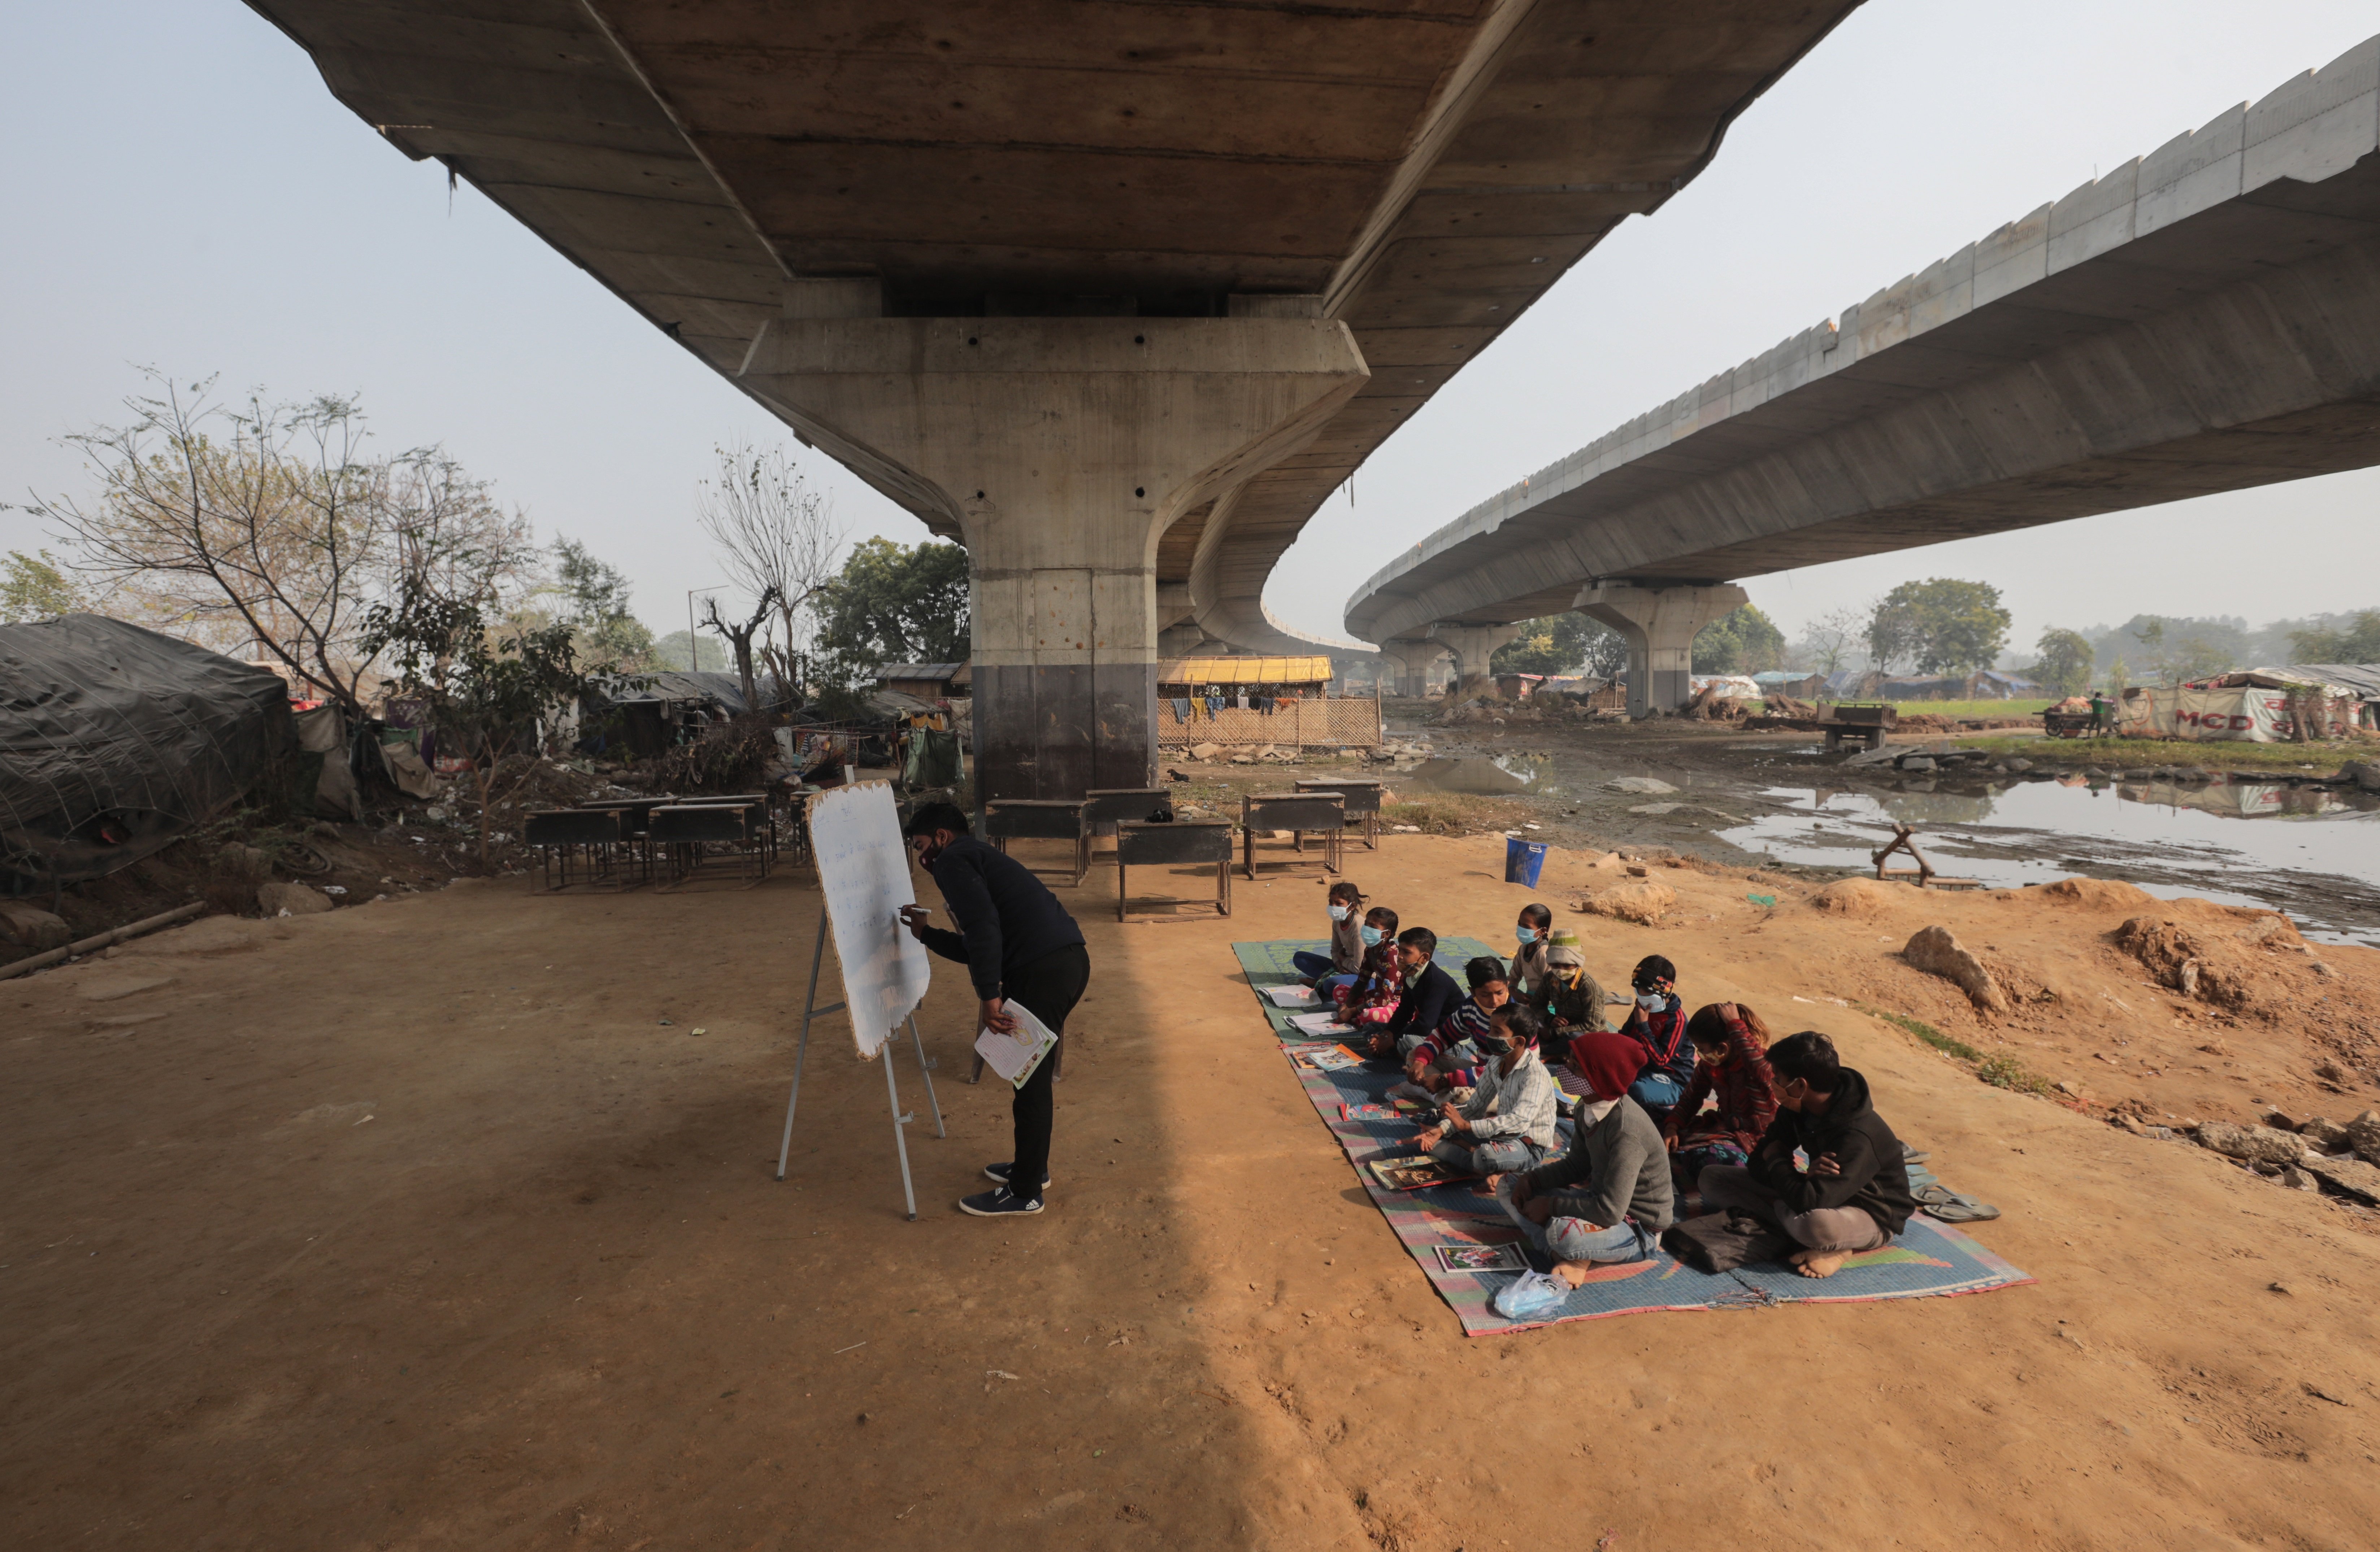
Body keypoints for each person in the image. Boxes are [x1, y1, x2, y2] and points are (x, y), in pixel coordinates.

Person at [899, 801, 1087, 1219]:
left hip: (1043, 971)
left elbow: (983, 931)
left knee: (1030, 1082)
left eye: (922, 845)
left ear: (942, 837)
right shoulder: (980, 855)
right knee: (1029, 1077)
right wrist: (926, 934)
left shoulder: (953, 861)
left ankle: (1025, 1193)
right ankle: (1029, 1170)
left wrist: (989, 998)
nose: (922, 856)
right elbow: (982, 942)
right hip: (1065, 961)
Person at [1698, 1030, 1916, 1278]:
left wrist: (1780, 1163)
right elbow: (1758, 1164)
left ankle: (1840, 1248)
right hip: (1816, 1194)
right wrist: (1796, 1182)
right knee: (1712, 1178)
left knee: (1814, 1226)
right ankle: (1797, 1229)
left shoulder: (1857, 1135)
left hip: (1870, 1214)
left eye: (1778, 1077)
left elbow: (1804, 1197)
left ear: (1800, 1084)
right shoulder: (1797, 1107)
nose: (1774, 1083)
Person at [1490, 1029, 1675, 1285]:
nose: (1564, 1070)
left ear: (1600, 1079)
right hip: (1597, 1202)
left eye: (1575, 1067)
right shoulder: (1585, 1107)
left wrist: (1552, 1207)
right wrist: (1532, 1180)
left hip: (1637, 1229)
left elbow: (1611, 1212)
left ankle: (1568, 1253)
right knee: (1509, 1185)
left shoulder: (1626, 1131)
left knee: (1561, 1232)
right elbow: (1577, 1167)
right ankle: (1568, 1257)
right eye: (1568, 1062)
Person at [1414, 1004, 1561, 1177]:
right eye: (1491, 1029)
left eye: (1497, 1032)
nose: (1489, 1036)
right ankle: (1487, 1167)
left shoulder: (1535, 1075)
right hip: (1499, 1138)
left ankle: (1482, 1163)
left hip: (1526, 1145)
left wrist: (1466, 1126)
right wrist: (1442, 1129)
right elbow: (1476, 1106)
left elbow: (1519, 1122)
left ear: (1519, 1041)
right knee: (1431, 1136)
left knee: (1487, 1156)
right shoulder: (1497, 1061)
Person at [1660, 1003, 1778, 1200]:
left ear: (1723, 1048)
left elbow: (1763, 1068)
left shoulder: (1761, 1066)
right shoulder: (1710, 1065)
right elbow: (1692, 1096)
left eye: (1702, 1049)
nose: (1701, 1055)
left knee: (1709, 1160)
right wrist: (1673, 1126)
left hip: (1755, 1143)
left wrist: (1735, 1025)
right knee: (1652, 1117)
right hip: (1722, 1129)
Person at [1393, 957, 1508, 1096]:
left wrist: (1444, 1080)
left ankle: (1429, 1093)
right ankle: (1436, 1091)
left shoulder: (1517, 1018)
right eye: (1485, 995)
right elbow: (1443, 1036)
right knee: (1416, 1055)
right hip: (1481, 1071)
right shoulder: (1471, 1008)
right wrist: (1421, 1063)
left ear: (1507, 985)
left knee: (1463, 1095)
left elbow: (1502, 1073)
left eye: (1500, 993)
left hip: (1505, 1084)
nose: (1495, 1002)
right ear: (1473, 992)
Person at [1616, 955, 1691, 1125]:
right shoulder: (1642, 1005)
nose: (1642, 996)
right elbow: (1624, 1037)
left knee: (1635, 1091)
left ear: (1663, 990)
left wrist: (1643, 1026)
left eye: (1647, 992)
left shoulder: (1677, 1020)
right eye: (1639, 991)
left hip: (1671, 1079)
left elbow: (1660, 1062)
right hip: (1641, 1067)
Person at [1368, 927, 1460, 1059]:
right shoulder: (1410, 975)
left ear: (1424, 958)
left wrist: (1392, 1040)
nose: (1399, 956)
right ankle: (1389, 1048)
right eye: (1400, 950)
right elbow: (1405, 1010)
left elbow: (1425, 1025)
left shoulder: (1437, 981)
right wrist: (1387, 1035)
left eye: (1406, 952)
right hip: (1428, 1032)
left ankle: (1394, 1050)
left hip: (1448, 1042)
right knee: (1371, 1028)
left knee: (1408, 1042)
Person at [1535, 930, 1618, 1037]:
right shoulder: (1549, 979)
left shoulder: (1589, 987)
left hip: (1587, 1035)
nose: (1561, 970)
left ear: (1577, 964)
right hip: (1560, 1028)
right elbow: (1536, 1005)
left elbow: (1592, 1027)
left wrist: (1555, 1033)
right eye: (1556, 965)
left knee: (1575, 1037)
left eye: (1567, 965)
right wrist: (1549, 1018)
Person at [1331, 906, 1403, 1031]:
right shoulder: (1370, 949)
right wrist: (1348, 1004)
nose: (1367, 929)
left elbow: (1385, 998)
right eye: (1366, 924)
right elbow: (1362, 980)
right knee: (1339, 991)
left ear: (1387, 934)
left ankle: (1359, 1018)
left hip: (1396, 1001)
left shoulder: (1391, 955)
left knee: (1370, 1015)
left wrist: (1353, 1011)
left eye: (1373, 927)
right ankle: (1357, 1017)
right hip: (1377, 995)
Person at [1293, 881, 1366, 991]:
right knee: (1300, 958)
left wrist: (1342, 959)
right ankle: (1326, 981)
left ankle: (1324, 983)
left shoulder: (1359, 927)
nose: (1333, 907)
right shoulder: (1337, 921)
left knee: (1331, 985)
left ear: (1352, 906)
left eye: (1339, 903)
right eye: (1331, 902)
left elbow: (1358, 968)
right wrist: (1340, 966)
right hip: (1343, 967)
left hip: (1363, 974)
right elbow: (1335, 950)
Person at [1509, 903, 1554, 1001]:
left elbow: (1553, 988)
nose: (1521, 928)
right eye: (1519, 924)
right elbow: (1514, 976)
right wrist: (1513, 992)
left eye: (1526, 927)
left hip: (1545, 1003)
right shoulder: (1523, 949)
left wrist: (1535, 1004)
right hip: (1530, 998)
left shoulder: (1544, 953)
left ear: (1542, 931)